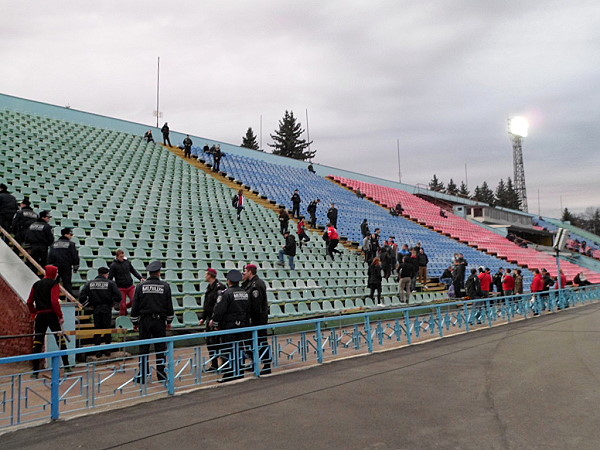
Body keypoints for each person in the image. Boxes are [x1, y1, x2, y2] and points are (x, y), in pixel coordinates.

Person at [131, 261, 174, 383]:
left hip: (145, 321)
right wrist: (169, 321)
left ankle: (143, 374)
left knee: (144, 348)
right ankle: (161, 374)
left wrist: (135, 322)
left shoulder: (140, 287)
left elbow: (135, 306)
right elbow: (169, 306)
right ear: (159, 273)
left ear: (149, 273)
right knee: (160, 348)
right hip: (159, 321)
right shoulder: (165, 286)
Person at [27, 265, 70, 377]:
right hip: (51, 314)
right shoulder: (54, 284)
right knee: (60, 340)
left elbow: (29, 302)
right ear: (54, 273)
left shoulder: (36, 284)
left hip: (40, 315)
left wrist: (33, 313)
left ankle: (35, 371)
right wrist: (60, 315)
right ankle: (67, 366)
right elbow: (54, 301)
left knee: (37, 341)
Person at [210, 269, 251, 382]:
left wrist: (216, 324)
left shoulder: (226, 294)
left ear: (229, 280)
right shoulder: (245, 293)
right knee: (240, 348)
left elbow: (219, 311)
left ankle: (229, 374)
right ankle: (239, 372)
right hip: (242, 325)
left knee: (228, 349)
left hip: (229, 326)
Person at [79, 267, 121, 357]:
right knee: (107, 329)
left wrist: (88, 305)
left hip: (96, 308)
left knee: (97, 329)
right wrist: (113, 303)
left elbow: (82, 297)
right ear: (106, 274)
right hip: (107, 308)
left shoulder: (90, 283)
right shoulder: (110, 283)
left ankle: (97, 350)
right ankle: (107, 350)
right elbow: (118, 296)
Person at [242, 264, 271, 375]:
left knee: (261, 341)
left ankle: (267, 365)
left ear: (250, 271)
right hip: (253, 319)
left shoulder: (256, 284)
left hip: (258, 318)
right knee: (253, 342)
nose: (244, 273)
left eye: (245, 271)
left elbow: (255, 304)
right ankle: (255, 363)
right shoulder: (250, 283)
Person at [199, 268, 225, 372]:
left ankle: (224, 364)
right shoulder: (209, 287)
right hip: (209, 319)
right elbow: (207, 305)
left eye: (206, 274)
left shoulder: (219, 287)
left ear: (210, 275)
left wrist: (215, 319)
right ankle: (214, 365)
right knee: (210, 342)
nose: (205, 276)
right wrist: (203, 318)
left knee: (218, 342)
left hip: (217, 319)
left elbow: (219, 305)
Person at [109, 249, 145, 316]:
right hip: (120, 287)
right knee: (122, 306)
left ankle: (127, 306)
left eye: (123, 256)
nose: (122, 258)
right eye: (121, 256)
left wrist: (140, 278)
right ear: (117, 257)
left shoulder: (127, 262)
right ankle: (123, 318)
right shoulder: (113, 265)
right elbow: (110, 278)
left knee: (134, 300)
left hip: (130, 286)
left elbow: (133, 270)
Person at [48, 227, 80, 296]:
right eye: (70, 235)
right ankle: (69, 299)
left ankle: (52, 297)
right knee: (67, 283)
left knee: (54, 283)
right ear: (66, 234)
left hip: (55, 266)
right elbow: (74, 256)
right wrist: (76, 266)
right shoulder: (71, 244)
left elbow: (50, 255)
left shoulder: (54, 244)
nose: (71, 237)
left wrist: (49, 264)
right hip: (66, 266)